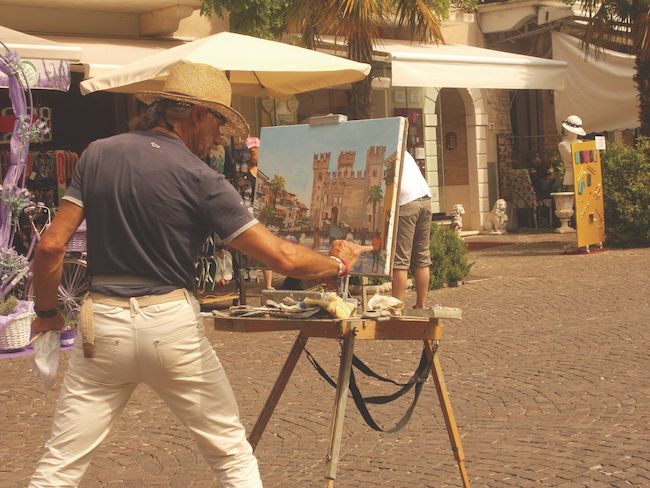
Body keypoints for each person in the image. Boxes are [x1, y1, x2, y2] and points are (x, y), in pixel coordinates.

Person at [29, 63, 371, 488]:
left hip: (104, 325)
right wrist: (336, 264)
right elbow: (281, 257)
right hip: (170, 324)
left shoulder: (99, 152)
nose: (218, 140)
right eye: (219, 126)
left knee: (60, 465)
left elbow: (49, 247)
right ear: (197, 115)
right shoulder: (202, 178)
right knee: (231, 457)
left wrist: (47, 314)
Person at [392, 151, 432, 309]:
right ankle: (421, 306)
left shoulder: (386, 147)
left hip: (407, 202)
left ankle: (395, 307)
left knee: (400, 261)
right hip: (425, 199)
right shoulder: (403, 149)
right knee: (421, 258)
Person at [244, 136, 273, 289]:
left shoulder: (263, 172)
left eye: (253, 152)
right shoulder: (243, 171)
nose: (251, 155)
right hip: (247, 211)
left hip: (261, 212)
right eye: (249, 152)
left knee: (265, 247)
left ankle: (268, 286)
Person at [559, 115, 585, 186]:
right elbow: (574, 157)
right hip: (570, 177)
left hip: (582, 176)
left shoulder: (581, 143)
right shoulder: (563, 145)